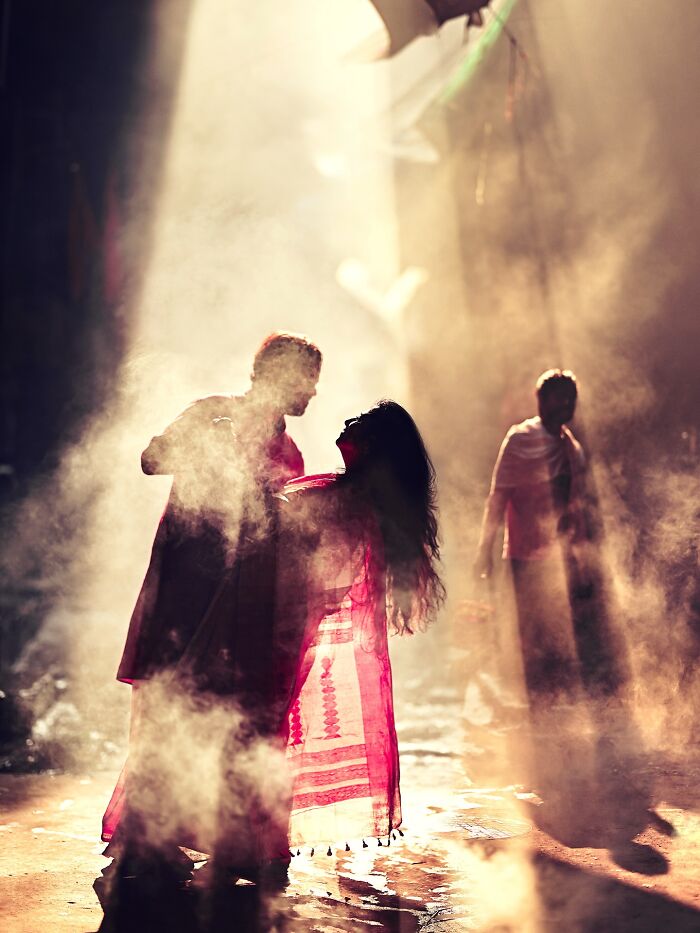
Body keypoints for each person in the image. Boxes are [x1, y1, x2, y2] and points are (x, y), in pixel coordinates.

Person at [100, 333, 322, 881]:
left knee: (237, 721)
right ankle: (152, 836)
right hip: (185, 597)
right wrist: (206, 446)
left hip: (246, 610)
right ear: (274, 375)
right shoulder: (212, 414)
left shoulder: (290, 454)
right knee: (172, 711)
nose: (314, 391)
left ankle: (234, 844)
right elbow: (151, 460)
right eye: (308, 377)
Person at [276, 401, 445, 850]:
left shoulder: (348, 502)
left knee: (274, 719)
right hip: (293, 623)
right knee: (274, 721)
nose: (346, 425)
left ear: (373, 447)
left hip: (289, 625)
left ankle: (261, 838)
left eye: (359, 426)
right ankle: (260, 834)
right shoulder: (348, 495)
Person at [474, 369, 586, 706]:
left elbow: (576, 508)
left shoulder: (571, 448)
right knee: (529, 632)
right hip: (523, 554)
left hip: (560, 556)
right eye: (559, 397)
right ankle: (534, 704)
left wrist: (579, 559)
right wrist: (484, 551)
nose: (566, 404)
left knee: (561, 633)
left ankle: (555, 704)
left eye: (571, 398)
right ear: (541, 400)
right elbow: (498, 498)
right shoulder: (519, 440)